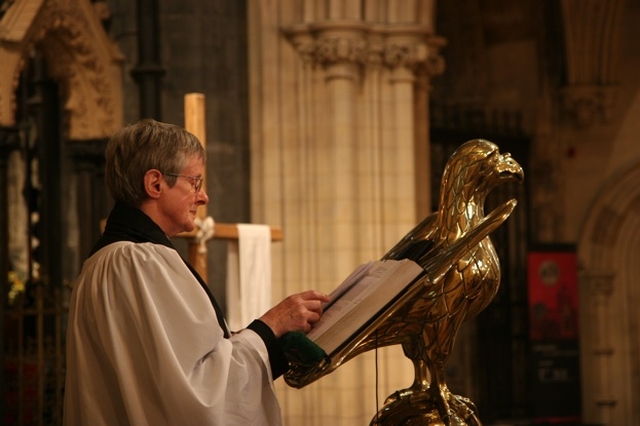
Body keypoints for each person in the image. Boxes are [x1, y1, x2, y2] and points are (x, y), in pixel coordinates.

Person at [63, 118, 330, 425]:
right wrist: (271, 325)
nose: (204, 197)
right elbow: (199, 396)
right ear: (155, 183)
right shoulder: (142, 263)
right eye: (195, 182)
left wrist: (261, 338)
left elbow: (172, 374)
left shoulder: (101, 263)